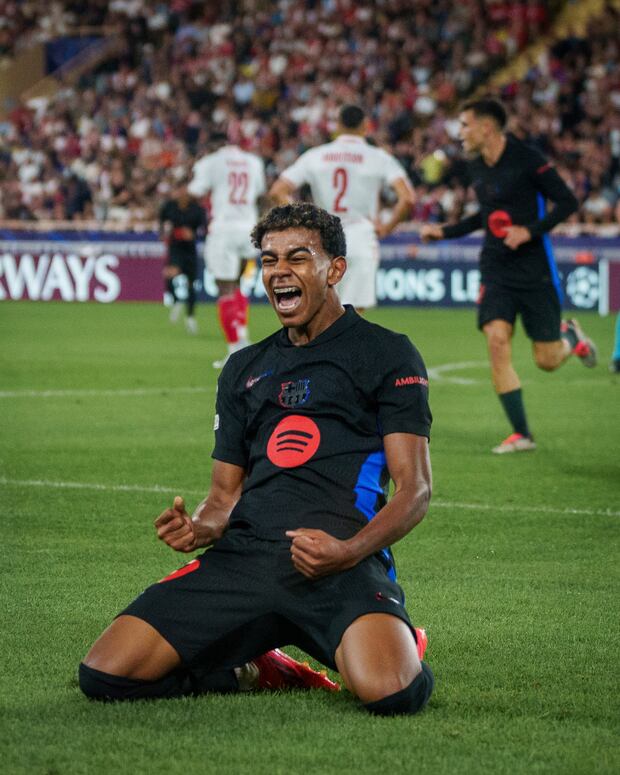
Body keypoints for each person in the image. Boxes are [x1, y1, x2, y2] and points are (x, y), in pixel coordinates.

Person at [78, 203, 434, 717]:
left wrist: (349, 551)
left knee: (393, 693)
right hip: (244, 559)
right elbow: (224, 499)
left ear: (334, 270)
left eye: (297, 257)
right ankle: (253, 667)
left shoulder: (387, 354)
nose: (279, 272)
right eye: (268, 261)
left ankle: (401, 642)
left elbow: (414, 490)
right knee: (104, 674)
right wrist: (198, 527)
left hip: (339, 563)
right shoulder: (244, 368)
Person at [421, 97, 598, 454]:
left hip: (535, 269)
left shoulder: (528, 159)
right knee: (497, 341)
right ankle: (522, 434)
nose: (461, 133)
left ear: (487, 127)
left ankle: (570, 337)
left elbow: (568, 202)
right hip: (496, 268)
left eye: (466, 125)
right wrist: (447, 231)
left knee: (546, 360)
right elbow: (484, 216)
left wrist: (530, 231)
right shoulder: (476, 167)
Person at [269, 104, 415, 313]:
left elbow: (278, 190)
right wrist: (387, 228)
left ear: (337, 125)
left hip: (322, 237)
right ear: (366, 126)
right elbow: (407, 198)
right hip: (360, 236)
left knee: (318, 313)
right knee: (353, 317)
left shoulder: (316, 155)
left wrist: (304, 221)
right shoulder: (378, 157)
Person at [188, 133, 266, 367]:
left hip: (224, 228)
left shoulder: (211, 161)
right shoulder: (254, 161)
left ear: (214, 145)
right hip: (249, 228)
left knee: (225, 288)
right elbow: (260, 191)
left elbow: (195, 190)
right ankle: (242, 337)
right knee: (239, 285)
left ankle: (234, 351)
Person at [159, 182, 207, 334]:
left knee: (191, 285)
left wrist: (194, 235)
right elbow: (161, 221)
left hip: (190, 250)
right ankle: (176, 301)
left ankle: (190, 317)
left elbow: (204, 230)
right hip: (175, 248)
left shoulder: (197, 210)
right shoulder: (169, 206)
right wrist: (163, 233)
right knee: (169, 275)